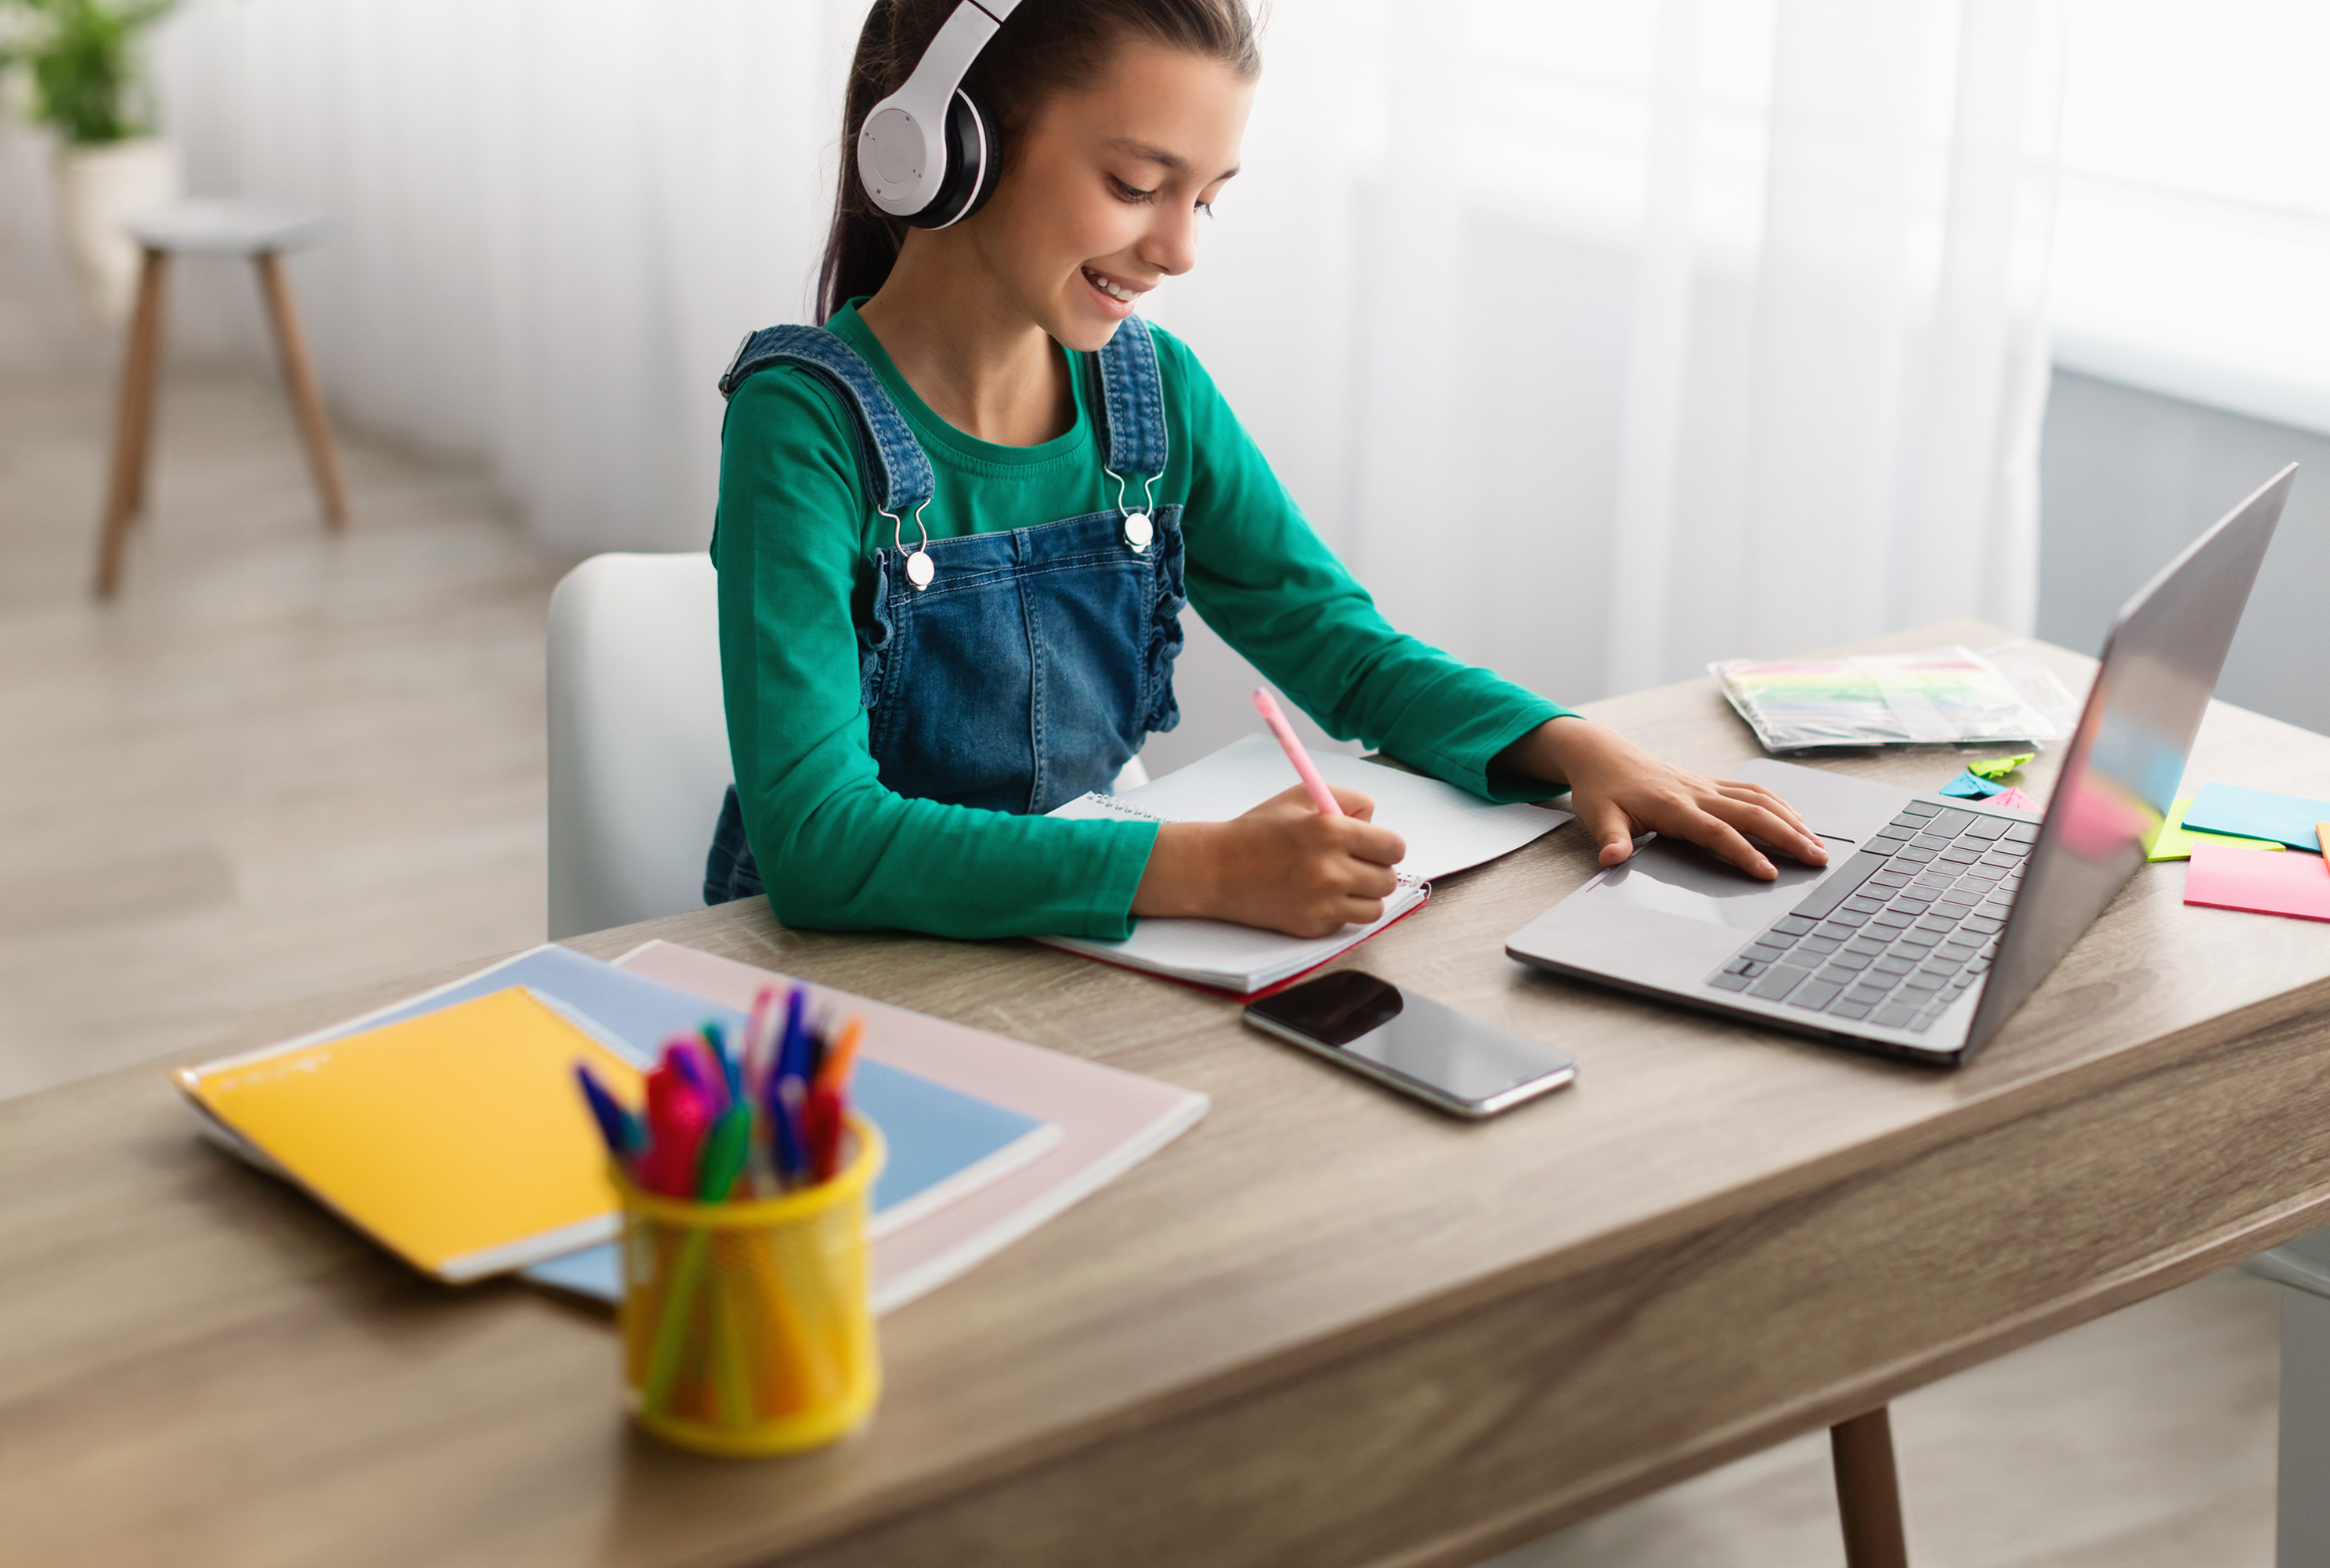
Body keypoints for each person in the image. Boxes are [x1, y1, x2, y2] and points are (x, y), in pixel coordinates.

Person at [704, 0, 1823, 941]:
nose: (1180, 249)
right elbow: (817, 841)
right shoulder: (802, 425)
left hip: (1081, 941)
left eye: (1206, 198)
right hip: (862, 975)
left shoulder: (1153, 397)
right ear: (951, 146)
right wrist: (1209, 873)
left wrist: (1575, 747)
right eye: (1138, 185)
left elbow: (1345, 651)